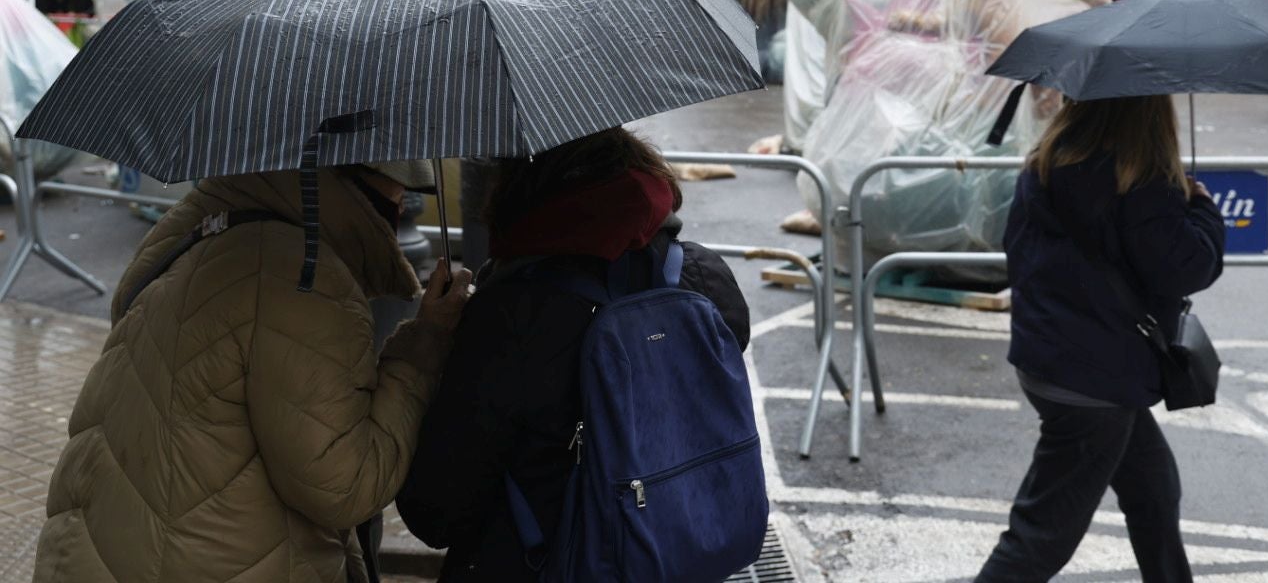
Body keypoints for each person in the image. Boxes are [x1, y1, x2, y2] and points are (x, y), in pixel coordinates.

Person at [33, 162, 474, 583]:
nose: (399, 209)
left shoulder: (203, 227)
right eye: (397, 190)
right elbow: (346, 484)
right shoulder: (299, 277)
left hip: (101, 552)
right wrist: (423, 350)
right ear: (349, 177)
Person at [397, 127, 750, 581]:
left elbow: (435, 511)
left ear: (520, 191)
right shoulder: (702, 275)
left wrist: (434, 349)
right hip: (681, 550)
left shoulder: (512, 314)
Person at [976, 96, 1225, 583]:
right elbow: (1187, 267)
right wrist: (1203, 212)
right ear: (1152, 115)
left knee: (1154, 489)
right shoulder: (1141, 183)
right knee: (1040, 537)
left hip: (1056, 358)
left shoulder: (1050, 160)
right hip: (1095, 381)